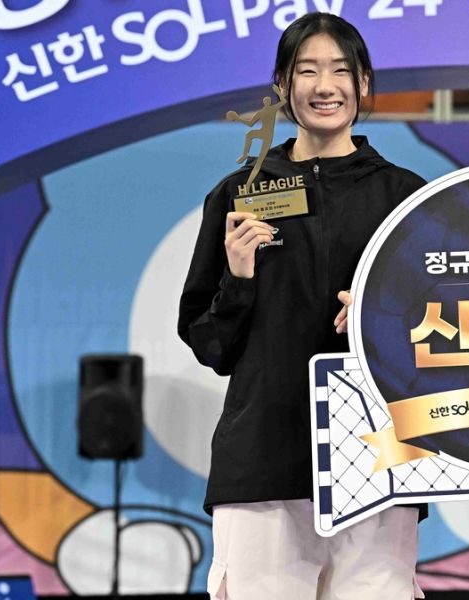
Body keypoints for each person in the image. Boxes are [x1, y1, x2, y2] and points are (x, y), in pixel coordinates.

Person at [178, 13, 425, 600]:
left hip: (377, 457)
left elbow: (445, 328)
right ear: (282, 85)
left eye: (340, 70)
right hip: (263, 461)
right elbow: (210, 344)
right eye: (307, 71)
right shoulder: (240, 193)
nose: (325, 86)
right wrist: (239, 278)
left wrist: (382, 316)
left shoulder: (405, 196)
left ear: (364, 83)